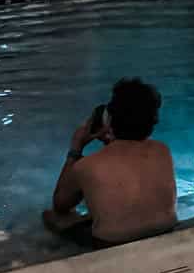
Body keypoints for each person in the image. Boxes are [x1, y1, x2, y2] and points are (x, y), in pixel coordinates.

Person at [42, 77, 177, 249]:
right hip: (165, 231)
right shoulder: (162, 150)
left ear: (109, 120)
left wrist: (76, 148)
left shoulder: (87, 165)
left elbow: (60, 205)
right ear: (153, 121)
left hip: (111, 244)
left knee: (53, 217)